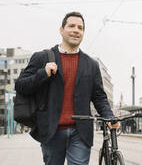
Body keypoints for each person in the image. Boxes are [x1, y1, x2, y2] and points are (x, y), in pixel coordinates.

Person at [15, 12, 119, 165]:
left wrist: (109, 116)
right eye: (71, 26)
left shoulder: (91, 65)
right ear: (61, 30)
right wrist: (43, 73)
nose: (76, 30)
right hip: (51, 130)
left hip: (80, 132)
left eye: (80, 28)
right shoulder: (42, 57)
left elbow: (99, 97)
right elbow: (21, 86)